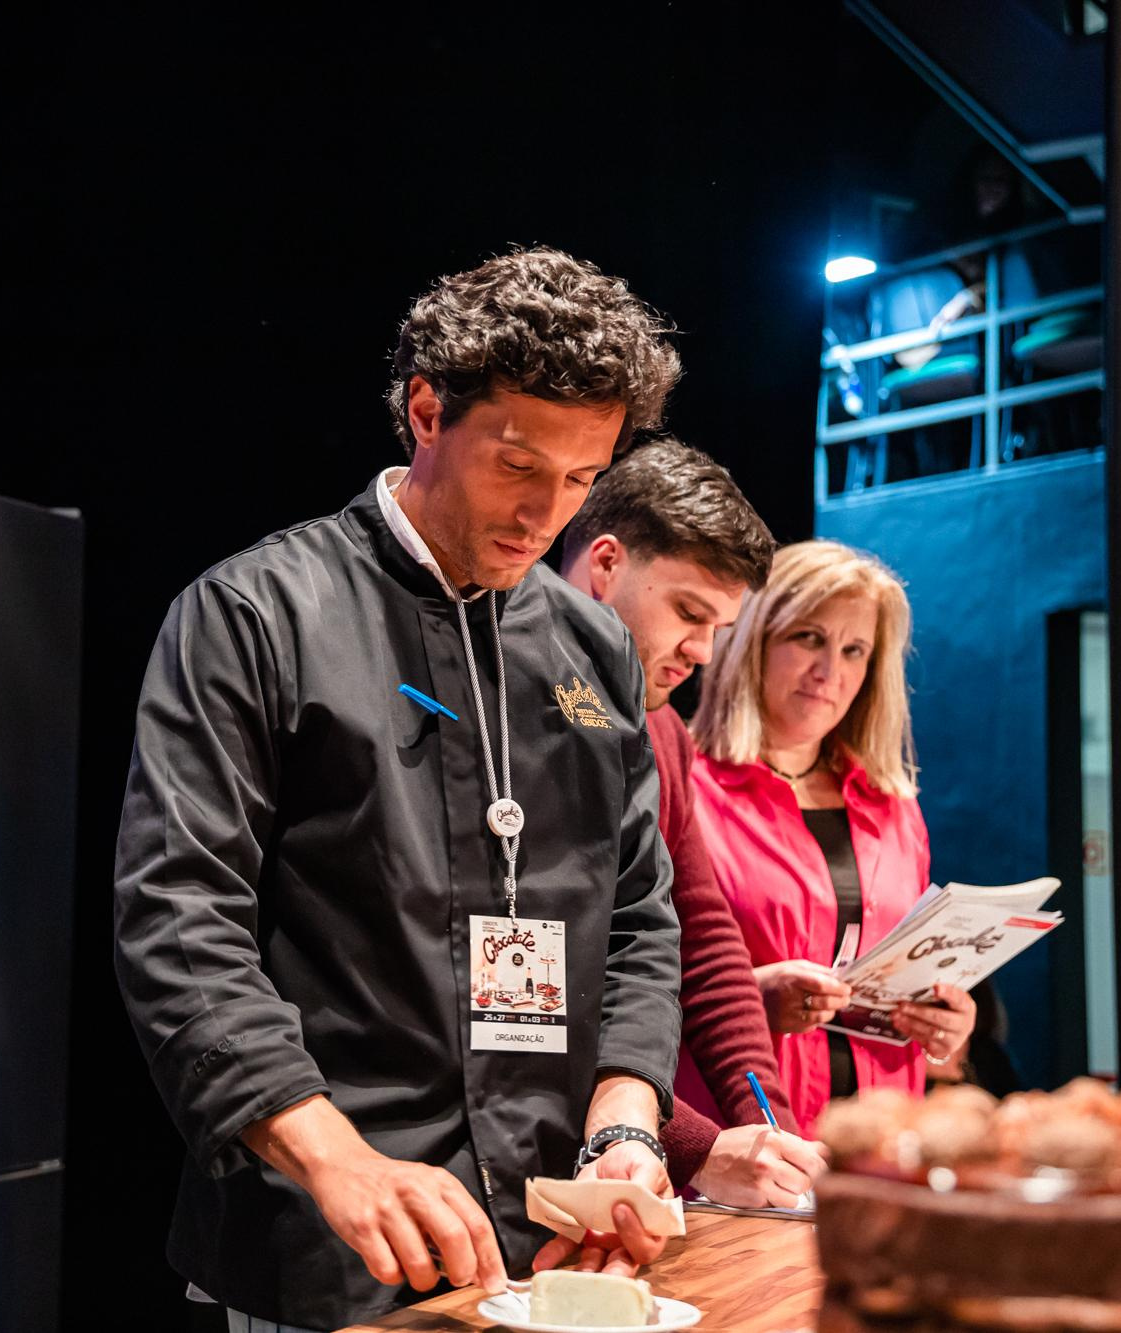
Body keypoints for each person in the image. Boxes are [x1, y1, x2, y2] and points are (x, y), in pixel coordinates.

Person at [115, 247, 687, 1333]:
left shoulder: (592, 646)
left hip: (549, 1232)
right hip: (331, 1230)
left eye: (579, 479)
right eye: (517, 465)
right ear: (425, 410)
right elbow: (178, 924)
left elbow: (637, 920)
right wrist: (336, 1159)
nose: (544, 516)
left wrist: (623, 1127)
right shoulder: (256, 613)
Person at [558, 437, 826, 1207]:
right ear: (604, 564)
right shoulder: (505, 703)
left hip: (620, 1163)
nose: (702, 653)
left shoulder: (663, 729)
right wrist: (697, 1146)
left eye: (720, 627)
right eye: (688, 612)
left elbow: (700, 933)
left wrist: (768, 1128)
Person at [687, 541, 975, 1135]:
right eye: (809, 639)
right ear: (753, 640)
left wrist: (943, 1030)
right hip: (739, 1142)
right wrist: (748, 996)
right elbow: (625, 982)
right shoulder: (683, 786)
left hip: (880, 1144)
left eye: (854, 650)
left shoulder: (892, 805)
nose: (829, 672)